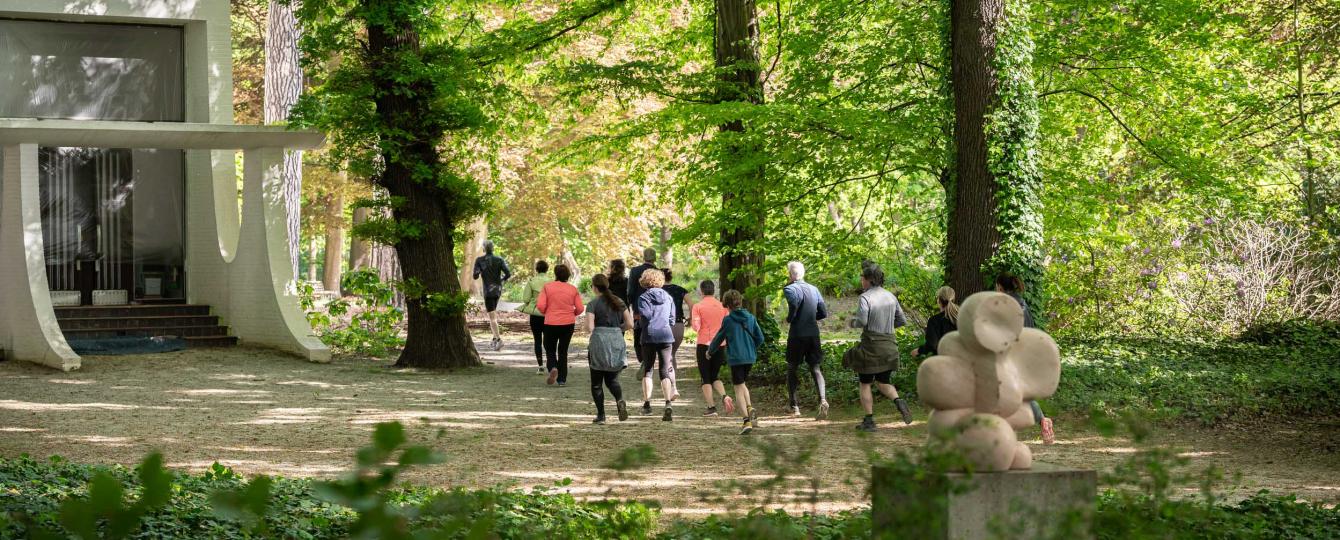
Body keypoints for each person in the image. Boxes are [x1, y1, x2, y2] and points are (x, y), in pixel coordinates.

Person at [842, 264, 913, 431]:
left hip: (871, 347)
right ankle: (899, 401)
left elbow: (863, 322)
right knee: (883, 382)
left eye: (863, 278)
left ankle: (869, 420)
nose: (861, 280)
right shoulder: (890, 297)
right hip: (889, 346)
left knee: (865, 383)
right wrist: (887, 325)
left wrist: (852, 322)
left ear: (869, 280)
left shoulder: (865, 298)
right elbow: (902, 321)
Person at [995, 272, 1055, 445]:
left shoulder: (1004, 304)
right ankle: (1042, 420)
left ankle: (1004, 431)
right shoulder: (1024, 304)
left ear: (999, 286)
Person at [708, 290, 764, 435]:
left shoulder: (728, 320)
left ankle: (746, 421)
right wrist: (751, 348)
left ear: (726, 304)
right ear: (740, 301)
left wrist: (710, 352)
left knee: (738, 389)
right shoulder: (751, 318)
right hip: (750, 357)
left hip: (736, 358)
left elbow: (719, 338)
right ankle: (750, 407)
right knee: (742, 383)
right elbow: (760, 338)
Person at [782, 260, 830, 419]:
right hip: (813, 334)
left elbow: (794, 304)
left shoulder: (789, 288)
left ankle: (794, 406)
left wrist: (790, 318)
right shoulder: (814, 289)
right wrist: (810, 318)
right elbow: (823, 312)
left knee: (792, 368)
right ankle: (822, 400)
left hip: (797, 335)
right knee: (815, 368)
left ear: (790, 274)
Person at [586, 274, 633, 424]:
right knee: (612, 380)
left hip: (599, 341)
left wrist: (587, 326)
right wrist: (619, 328)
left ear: (594, 287)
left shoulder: (593, 303)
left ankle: (601, 416)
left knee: (596, 383)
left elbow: (590, 328)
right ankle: (619, 400)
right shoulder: (619, 301)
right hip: (616, 340)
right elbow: (630, 324)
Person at [635, 269, 678, 421]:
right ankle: (667, 403)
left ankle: (647, 405)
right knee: (664, 370)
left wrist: (642, 324)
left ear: (644, 280)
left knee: (648, 369)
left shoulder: (643, 297)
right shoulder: (668, 297)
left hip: (649, 335)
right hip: (666, 335)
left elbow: (645, 316)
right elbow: (673, 318)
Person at [691, 280, 734, 417]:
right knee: (715, 375)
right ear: (714, 291)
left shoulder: (698, 306)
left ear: (701, 291)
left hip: (704, 344)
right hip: (720, 345)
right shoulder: (723, 307)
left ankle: (711, 408)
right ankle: (724, 396)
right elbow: (728, 325)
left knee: (705, 377)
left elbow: (696, 327)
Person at [537, 264, 584, 387]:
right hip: (568, 323)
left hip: (551, 322)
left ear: (555, 274)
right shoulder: (573, 289)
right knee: (563, 351)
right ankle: (562, 379)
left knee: (549, 348)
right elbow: (580, 308)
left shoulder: (547, 287)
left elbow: (541, 305)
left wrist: (547, 312)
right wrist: (572, 313)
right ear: (568, 275)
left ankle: (553, 367)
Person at [472, 240, 512, 351]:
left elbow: (475, 276)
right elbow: (508, 273)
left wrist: (479, 271)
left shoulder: (479, 260)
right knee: (493, 314)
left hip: (488, 291)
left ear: (484, 249)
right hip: (497, 290)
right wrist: (501, 280)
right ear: (493, 248)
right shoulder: (499, 259)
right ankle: (494, 339)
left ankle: (499, 340)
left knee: (492, 317)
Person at [627, 249, 658, 376]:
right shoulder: (659, 272)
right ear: (655, 258)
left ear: (643, 257)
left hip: (639, 310)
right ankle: (648, 361)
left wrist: (629, 304)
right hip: (656, 310)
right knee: (652, 336)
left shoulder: (635, 271)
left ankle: (643, 360)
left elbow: (630, 291)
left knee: (638, 336)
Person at [661, 268, 689, 398]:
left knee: (667, 357)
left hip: (663, 326)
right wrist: (690, 319)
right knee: (672, 355)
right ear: (671, 277)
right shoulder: (680, 289)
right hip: (678, 325)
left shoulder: (657, 291)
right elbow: (692, 304)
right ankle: (673, 385)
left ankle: (673, 387)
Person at [518, 260, 551, 373]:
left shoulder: (531, 281)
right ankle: (551, 364)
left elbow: (526, 299)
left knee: (537, 340)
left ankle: (540, 366)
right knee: (548, 340)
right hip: (549, 314)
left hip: (535, 314)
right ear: (547, 269)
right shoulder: (552, 282)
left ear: (536, 269)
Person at [911, 286, 959, 358]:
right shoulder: (963, 317)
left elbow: (931, 345)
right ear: (953, 299)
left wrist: (919, 351)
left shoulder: (934, 320)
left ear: (938, 300)